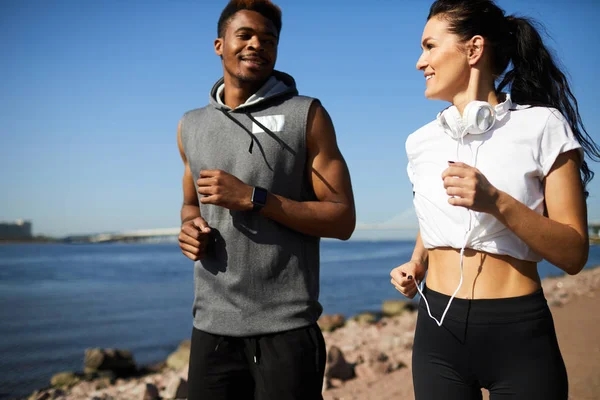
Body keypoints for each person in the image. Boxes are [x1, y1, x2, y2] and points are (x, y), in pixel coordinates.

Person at [390, 0, 599, 399]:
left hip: (518, 335)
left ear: (473, 49)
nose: (421, 62)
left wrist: (495, 201)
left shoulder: (543, 126)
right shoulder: (419, 143)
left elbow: (574, 254)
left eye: (430, 46)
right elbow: (433, 213)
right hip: (437, 332)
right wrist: (418, 261)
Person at [176, 1, 356, 399]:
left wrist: (255, 198)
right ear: (219, 44)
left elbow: (342, 219)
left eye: (268, 39)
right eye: (245, 35)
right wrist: (190, 228)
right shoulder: (190, 125)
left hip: (285, 329)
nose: (257, 44)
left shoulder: (306, 115)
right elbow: (191, 203)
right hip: (211, 328)